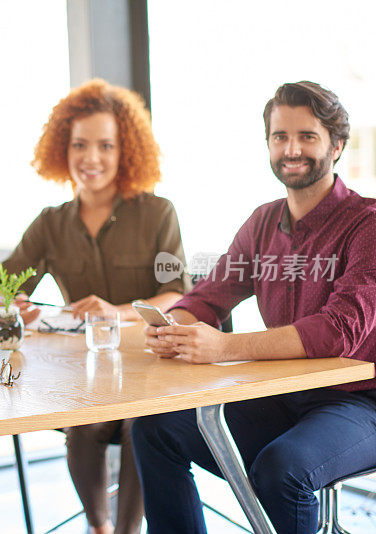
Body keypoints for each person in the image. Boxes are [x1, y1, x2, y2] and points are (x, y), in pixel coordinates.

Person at [132, 81, 376, 534]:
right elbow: (210, 295)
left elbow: (337, 332)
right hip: (283, 397)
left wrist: (221, 347)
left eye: (307, 136)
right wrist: (175, 327)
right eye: (280, 136)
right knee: (155, 427)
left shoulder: (369, 224)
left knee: (281, 469)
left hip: (359, 405)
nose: (291, 149)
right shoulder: (263, 221)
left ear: (336, 146)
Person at [0, 79, 189, 534]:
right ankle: (99, 528)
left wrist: (118, 310)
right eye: (79, 144)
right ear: (63, 149)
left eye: (105, 145)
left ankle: (127, 530)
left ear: (126, 151)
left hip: (150, 374)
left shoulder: (159, 213)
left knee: (142, 427)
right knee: (84, 427)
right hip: (88, 380)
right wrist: (7, 303)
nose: (90, 158)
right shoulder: (51, 223)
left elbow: (176, 292)